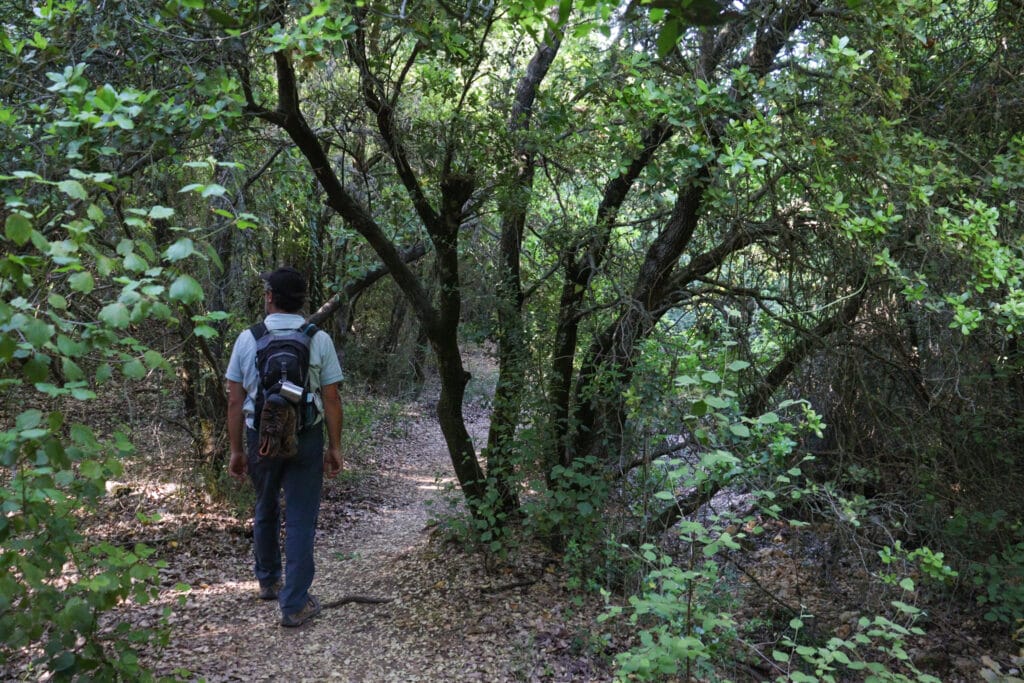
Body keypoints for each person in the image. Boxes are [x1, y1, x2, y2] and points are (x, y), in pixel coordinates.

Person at [225, 266, 344, 627]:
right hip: (306, 438)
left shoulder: (249, 338)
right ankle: (294, 604)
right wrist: (335, 447)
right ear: (303, 300)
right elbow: (332, 396)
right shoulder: (317, 339)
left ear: (270, 296)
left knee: (265, 508)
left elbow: (234, 399)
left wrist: (236, 450)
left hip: (259, 436)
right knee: (301, 517)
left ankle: (269, 580)